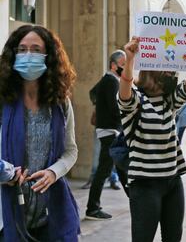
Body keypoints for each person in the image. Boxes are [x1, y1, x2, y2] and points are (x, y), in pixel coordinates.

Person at [119, 37, 186, 242]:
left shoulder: (168, 102)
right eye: (167, 71)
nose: (171, 75)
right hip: (145, 185)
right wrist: (129, 59)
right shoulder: (137, 102)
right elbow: (125, 95)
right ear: (152, 72)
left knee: (173, 237)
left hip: (172, 182)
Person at [0, 25, 80, 241]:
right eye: (22, 49)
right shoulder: (3, 101)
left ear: (49, 56)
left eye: (36, 50)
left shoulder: (60, 102)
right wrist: (4, 174)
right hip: (6, 216)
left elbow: (71, 151)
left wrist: (53, 172)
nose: (28, 55)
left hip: (50, 215)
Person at [85, 50, 129, 220]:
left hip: (109, 130)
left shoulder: (108, 80)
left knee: (121, 168)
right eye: (123, 65)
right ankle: (92, 208)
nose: (126, 68)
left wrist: (99, 105)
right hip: (110, 131)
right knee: (104, 170)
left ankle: (136, 200)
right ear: (114, 65)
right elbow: (115, 109)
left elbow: (93, 93)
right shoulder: (111, 81)